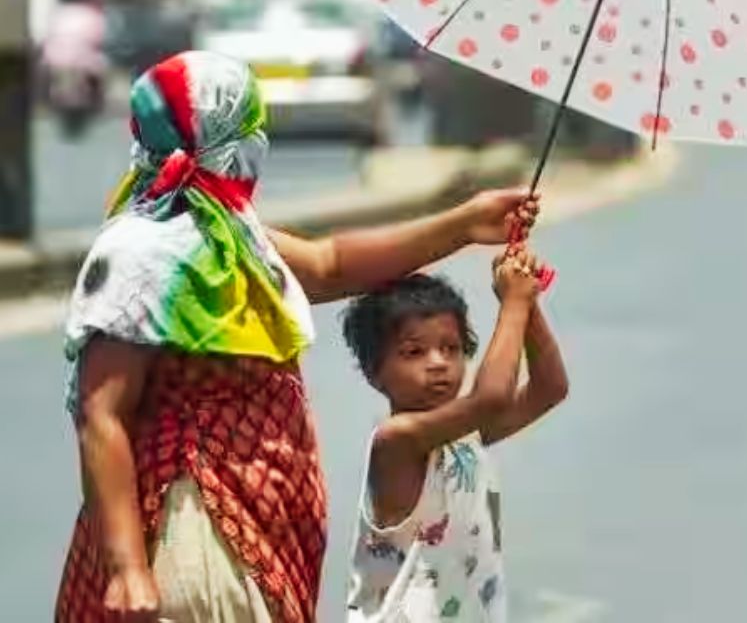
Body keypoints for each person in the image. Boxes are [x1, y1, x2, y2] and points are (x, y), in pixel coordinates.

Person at [54, 51, 539, 622]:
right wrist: (127, 568)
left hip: (255, 524)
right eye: (249, 127)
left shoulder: (231, 232)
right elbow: (100, 414)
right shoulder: (140, 250)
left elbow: (329, 265)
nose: (258, 142)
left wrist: (463, 224)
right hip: (191, 522)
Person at [342, 250, 567, 622]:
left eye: (451, 348)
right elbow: (491, 398)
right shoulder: (396, 441)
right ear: (373, 372)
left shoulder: (465, 434)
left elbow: (550, 387)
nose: (438, 363)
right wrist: (514, 302)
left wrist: (527, 303)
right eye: (414, 352)